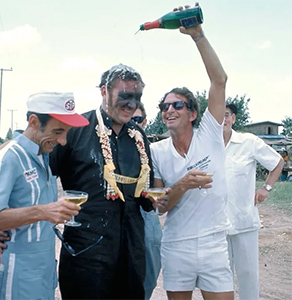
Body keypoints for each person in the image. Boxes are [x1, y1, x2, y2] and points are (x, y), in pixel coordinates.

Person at [47, 62, 156, 299]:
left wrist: (161, 195)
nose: (132, 104)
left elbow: (147, 200)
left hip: (131, 254)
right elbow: (42, 178)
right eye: (125, 95)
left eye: (137, 97)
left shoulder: (139, 137)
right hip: (86, 255)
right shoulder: (76, 130)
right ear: (104, 91)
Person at [150, 4, 233, 299]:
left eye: (178, 105)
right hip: (177, 244)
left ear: (193, 113)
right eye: (165, 106)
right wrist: (182, 185)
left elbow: (219, 80)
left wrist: (198, 35)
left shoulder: (209, 133)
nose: (169, 109)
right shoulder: (156, 151)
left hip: (214, 242)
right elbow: (161, 206)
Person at [0, 92, 87, 300]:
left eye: (66, 133)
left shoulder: (44, 156)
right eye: (58, 131)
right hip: (19, 276)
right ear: (34, 122)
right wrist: (43, 212)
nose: (62, 141)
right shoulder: (9, 159)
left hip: (44, 273)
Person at [223, 103, 283, 300]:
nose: (222, 119)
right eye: (218, 115)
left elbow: (277, 163)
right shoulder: (206, 145)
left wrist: (266, 188)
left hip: (244, 221)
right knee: (221, 278)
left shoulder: (248, 142)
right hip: (216, 225)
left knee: (248, 276)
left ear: (233, 118)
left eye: (227, 115)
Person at [133, 102, 162, 299]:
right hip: (123, 212)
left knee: (150, 271)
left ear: (145, 122)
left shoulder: (156, 151)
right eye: (129, 119)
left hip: (147, 214)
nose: (132, 124)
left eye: (137, 120)